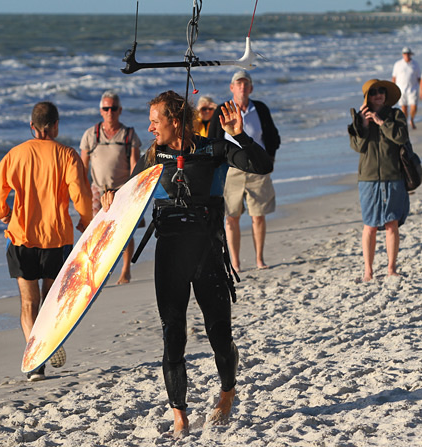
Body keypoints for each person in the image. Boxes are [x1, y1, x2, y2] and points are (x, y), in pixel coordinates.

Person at [100, 91, 273, 438]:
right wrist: (111, 196)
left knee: (219, 334)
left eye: (155, 120)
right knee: (172, 333)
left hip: (208, 252)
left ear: (175, 120)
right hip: (169, 255)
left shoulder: (215, 150)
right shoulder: (153, 156)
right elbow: (129, 192)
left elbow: (262, 165)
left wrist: (238, 134)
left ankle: (228, 393)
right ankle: (179, 414)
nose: (149, 127)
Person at [0, 101, 93, 381]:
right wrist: (85, 221)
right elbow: (80, 195)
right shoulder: (68, 155)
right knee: (50, 301)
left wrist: (7, 216)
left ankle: (35, 361)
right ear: (56, 126)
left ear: (32, 127)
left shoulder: (15, 155)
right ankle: (47, 343)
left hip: (22, 237)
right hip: (56, 238)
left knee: (27, 303)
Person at [208, 70, 281, 271]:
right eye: (238, 84)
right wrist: (216, 169)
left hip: (258, 170)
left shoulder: (260, 108)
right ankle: (236, 262)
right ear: (232, 88)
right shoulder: (222, 110)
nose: (242, 87)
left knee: (258, 215)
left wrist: (270, 160)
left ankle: (259, 259)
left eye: (246, 84)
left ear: (251, 88)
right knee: (231, 217)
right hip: (231, 171)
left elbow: (273, 137)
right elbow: (213, 141)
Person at [348, 79, 410, 282]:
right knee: (370, 225)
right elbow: (357, 147)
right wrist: (364, 124)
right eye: (373, 92)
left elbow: (401, 138)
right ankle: (368, 271)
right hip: (368, 178)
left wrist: (382, 122)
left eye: (381, 91)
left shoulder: (395, 115)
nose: (378, 95)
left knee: (392, 223)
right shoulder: (358, 119)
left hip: (393, 175)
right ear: (368, 97)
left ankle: (391, 268)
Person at [80, 91, 141, 284]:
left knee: (124, 230)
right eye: (106, 108)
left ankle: (125, 270)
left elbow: (135, 164)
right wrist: (80, 192)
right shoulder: (91, 134)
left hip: (122, 188)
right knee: (97, 231)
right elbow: (83, 166)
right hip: (98, 189)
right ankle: (98, 272)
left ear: (120, 110)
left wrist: (133, 190)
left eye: (113, 108)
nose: (110, 112)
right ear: (100, 111)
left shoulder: (129, 134)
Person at [392, 47, 421, 129]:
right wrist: (392, 89)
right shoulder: (397, 64)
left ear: (410, 54)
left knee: (414, 107)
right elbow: (394, 78)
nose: (406, 55)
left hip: (413, 89)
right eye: (405, 54)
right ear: (402, 54)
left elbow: (419, 78)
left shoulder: (415, 64)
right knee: (404, 108)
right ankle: (405, 123)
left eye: (408, 53)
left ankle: (411, 119)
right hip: (401, 90)